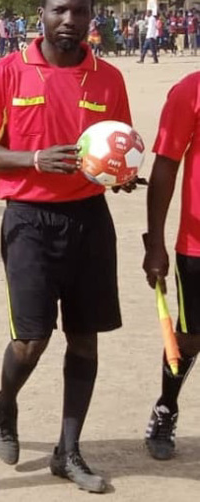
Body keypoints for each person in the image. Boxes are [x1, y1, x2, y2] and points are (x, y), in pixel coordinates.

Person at [0, 0, 136, 494]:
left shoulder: (108, 79)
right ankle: (4, 404)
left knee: (84, 338)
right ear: (39, 14)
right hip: (28, 219)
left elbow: (118, 147)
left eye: (80, 12)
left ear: (92, 17)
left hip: (89, 219)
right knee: (31, 340)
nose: (70, 21)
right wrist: (34, 159)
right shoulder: (6, 73)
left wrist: (122, 174)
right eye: (60, 11)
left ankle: (68, 451)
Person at [141, 71, 200, 461]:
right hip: (197, 245)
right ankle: (167, 407)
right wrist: (156, 242)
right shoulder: (191, 89)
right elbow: (166, 165)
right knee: (192, 335)